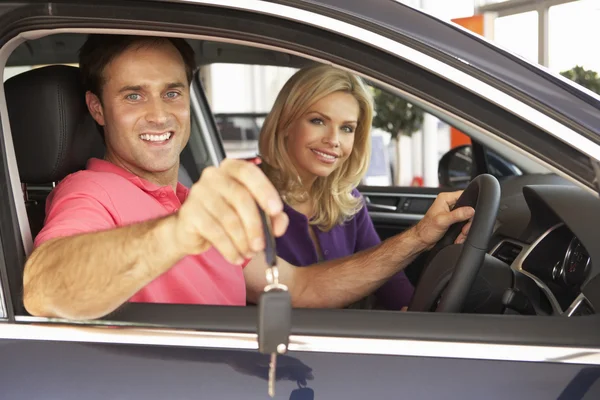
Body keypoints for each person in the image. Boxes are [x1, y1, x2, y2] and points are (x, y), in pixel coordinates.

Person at [22, 34, 474, 320]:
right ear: (98, 109)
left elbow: (300, 288)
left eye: (173, 93)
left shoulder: (187, 200)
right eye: (134, 95)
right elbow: (44, 288)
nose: (159, 114)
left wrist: (418, 237)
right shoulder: (90, 191)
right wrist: (177, 234)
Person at [258, 64, 413, 309]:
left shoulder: (347, 201)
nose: (333, 140)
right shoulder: (247, 197)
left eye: (347, 128)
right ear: (286, 123)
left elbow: (393, 286)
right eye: (318, 121)